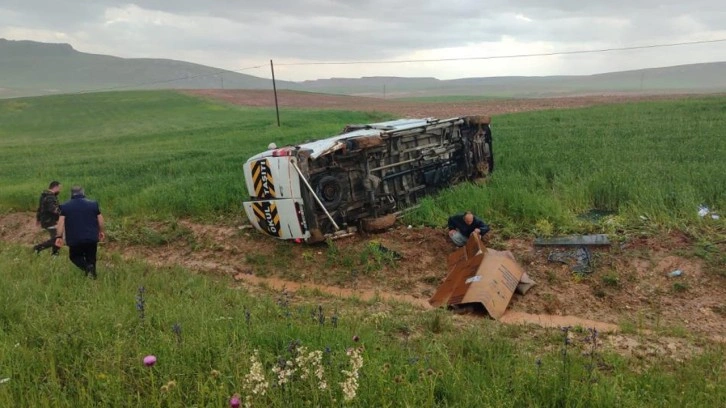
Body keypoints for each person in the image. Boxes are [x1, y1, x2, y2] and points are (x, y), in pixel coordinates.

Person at [54, 186, 105, 279]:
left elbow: (60, 223)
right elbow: (100, 219)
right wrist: (101, 231)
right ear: (83, 193)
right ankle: (93, 276)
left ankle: (87, 268)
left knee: (75, 256)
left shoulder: (65, 207)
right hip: (91, 237)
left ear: (71, 194)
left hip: (74, 238)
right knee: (91, 258)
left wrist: (59, 236)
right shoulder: (93, 204)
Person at [33, 181, 62, 256]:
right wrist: (63, 214)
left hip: (45, 220)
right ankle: (38, 248)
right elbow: (53, 209)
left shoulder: (44, 195)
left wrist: (38, 219)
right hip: (50, 221)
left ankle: (55, 254)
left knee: (56, 237)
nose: (60, 190)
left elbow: (40, 208)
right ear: (56, 187)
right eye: (59, 188)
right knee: (57, 238)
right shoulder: (50, 197)